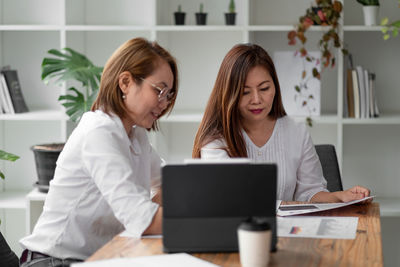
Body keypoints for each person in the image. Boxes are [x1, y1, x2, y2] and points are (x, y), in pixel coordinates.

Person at [19, 37, 178, 266]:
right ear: (125, 82)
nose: (164, 103)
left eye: (169, 94)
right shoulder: (98, 131)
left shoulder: (136, 135)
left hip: (94, 259)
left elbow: (171, 182)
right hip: (52, 261)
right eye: (159, 90)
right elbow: (140, 217)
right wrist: (207, 223)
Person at [192, 43, 370, 203]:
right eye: (245, 92)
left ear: (275, 86)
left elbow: (310, 193)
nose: (257, 99)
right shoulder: (215, 139)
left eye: (264, 88)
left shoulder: (296, 132)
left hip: (289, 235)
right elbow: (226, 200)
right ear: (229, 94)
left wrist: (339, 196)